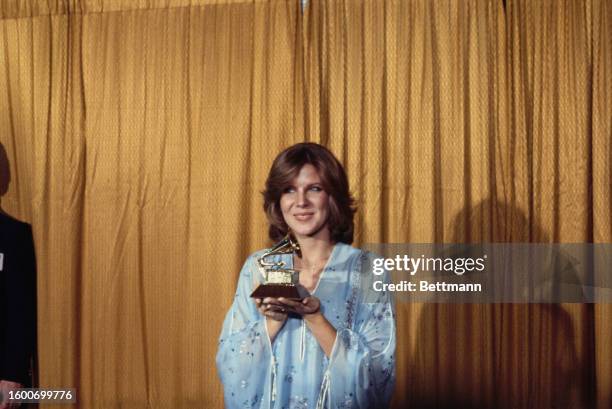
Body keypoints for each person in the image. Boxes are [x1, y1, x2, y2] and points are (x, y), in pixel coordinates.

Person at [216, 142, 395, 409]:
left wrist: (315, 317)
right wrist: (272, 322)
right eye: (289, 190)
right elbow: (231, 367)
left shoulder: (368, 270)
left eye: (314, 188)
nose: (301, 202)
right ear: (278, 200)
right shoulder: (262, 266)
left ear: (332, 196)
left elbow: (377, 375)